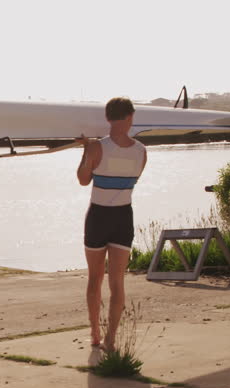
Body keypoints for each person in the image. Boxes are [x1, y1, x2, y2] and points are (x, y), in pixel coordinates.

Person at [76, 97, 147, 351]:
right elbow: (134, 179)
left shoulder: (97, 147)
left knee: (94, 278)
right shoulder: (141, 151)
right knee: (117, 282)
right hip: (123, 216)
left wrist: (86, 151)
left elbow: (84, 180)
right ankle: (111, 338)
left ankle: (95, 331)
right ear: (131, 117)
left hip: (98, 216)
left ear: (107, 118)